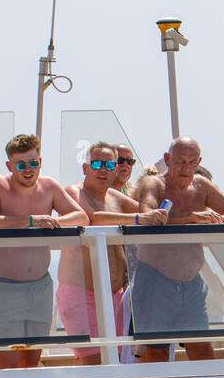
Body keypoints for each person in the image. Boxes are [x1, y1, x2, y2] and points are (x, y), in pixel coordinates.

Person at [133, 137, 224, 363]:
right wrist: (192, 219)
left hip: (191, 285)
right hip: (155, 282)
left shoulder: (201, 186)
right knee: (156, 354)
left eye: (191, 162)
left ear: (198, 163)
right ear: (168, 160)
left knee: (203, 351)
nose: (186, 168)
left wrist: (217, 221)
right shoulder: (154, 184)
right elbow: (149, 217)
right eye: (180, 161)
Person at [0, 133, 87, 369]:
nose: (28, 170)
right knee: (8, 367)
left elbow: (81, 216)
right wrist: (29, 221)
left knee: (31, 364)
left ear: (41, 161)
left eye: (33, 163)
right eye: (21, 165)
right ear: (10, 165)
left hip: (41, 287)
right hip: (4, 289)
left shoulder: (49, 186)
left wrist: (51, 222)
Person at [58, 141, 167, 363]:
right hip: (81, 294)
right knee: (95, 364)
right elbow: (94, 219)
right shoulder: (74, 191)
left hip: (114, 297)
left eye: (109, 165)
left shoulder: (116, 198)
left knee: (116, 361)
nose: (103, 169)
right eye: (97, 163)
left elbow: (146, 210)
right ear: (85, 168)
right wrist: (140, 219)